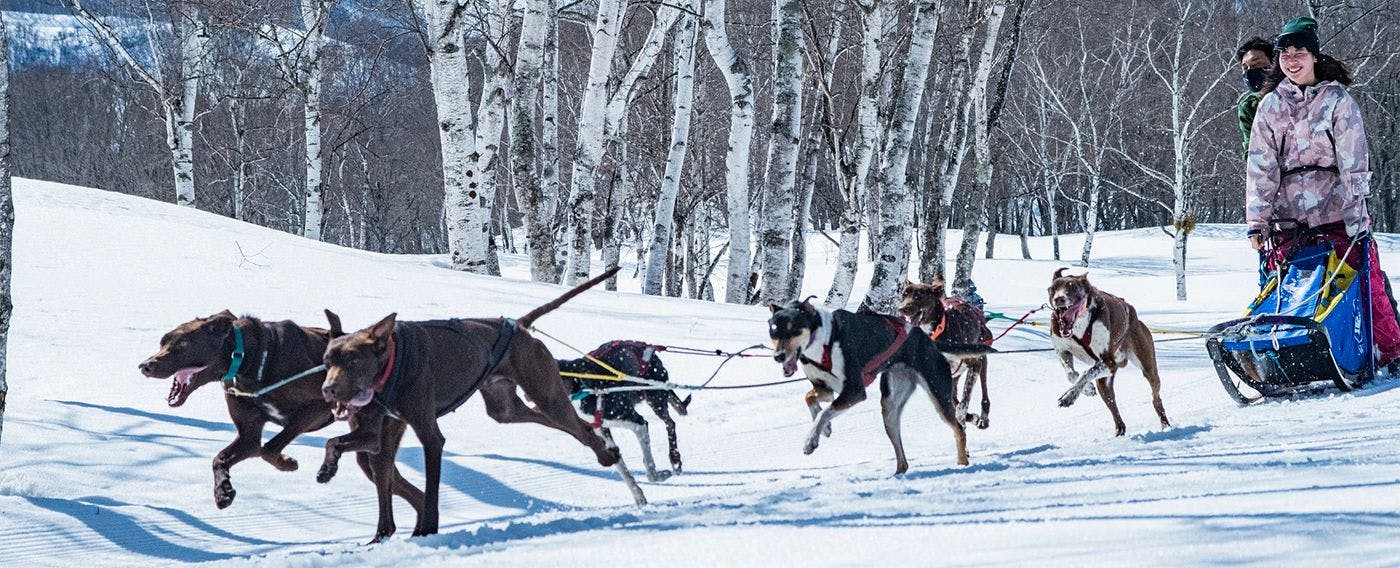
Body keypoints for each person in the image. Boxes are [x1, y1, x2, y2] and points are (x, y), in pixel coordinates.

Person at [1245, 16, 1400, 367]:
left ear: (1314, 56)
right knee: (1288, 291)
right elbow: (1261, 168)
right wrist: (1258, 220)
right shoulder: (1270, 106)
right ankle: (1285, 356)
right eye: (1285, 53)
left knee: (1365, 282)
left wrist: (1357, 213)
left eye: (1300, 51)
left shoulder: (1336, 100)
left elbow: (1353, 161)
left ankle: (1390, 352)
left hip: (1337, 215)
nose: (1292, 59)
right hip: (1289, 221)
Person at [1236, 37, 1274, 153]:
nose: (1250, 71)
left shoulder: (1296, 94)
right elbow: (1252, 150)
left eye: (1256, 64)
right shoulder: (1249, 106)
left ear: (1273, 64)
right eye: (1245, 68)